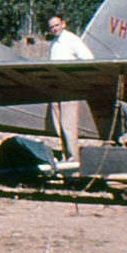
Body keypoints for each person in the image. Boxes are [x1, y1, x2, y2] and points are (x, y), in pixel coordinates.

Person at [47, 14, 93, 162]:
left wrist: (76, 79)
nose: (55, 29)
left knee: (68, 127)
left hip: (68, 88)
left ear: (64, 24)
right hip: (56, 89)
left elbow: (88, 57)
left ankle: (74, 160)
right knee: (59, 126)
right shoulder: (55, 44)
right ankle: (65, 157)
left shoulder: (70, 39)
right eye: (52, 27)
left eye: (57, 25)